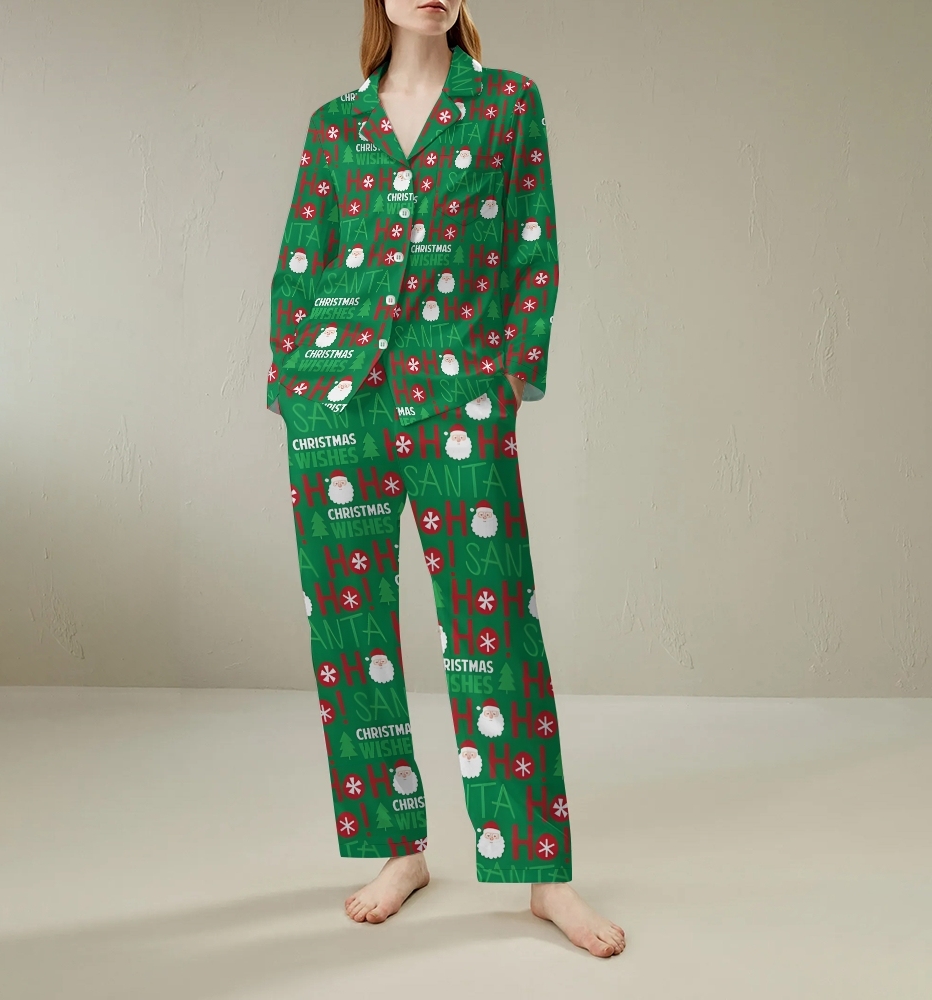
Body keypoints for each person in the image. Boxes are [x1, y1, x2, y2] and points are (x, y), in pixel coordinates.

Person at [267, 0, 626, 959]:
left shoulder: (508, 104)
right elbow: (300, 264)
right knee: (351, 634)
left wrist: (508, 380)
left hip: (459, 394)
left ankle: (543, 873)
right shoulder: (336, 125)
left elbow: (532, 249)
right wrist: (295, 385)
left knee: (494, 624)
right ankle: (399, 851)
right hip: (338, 401)